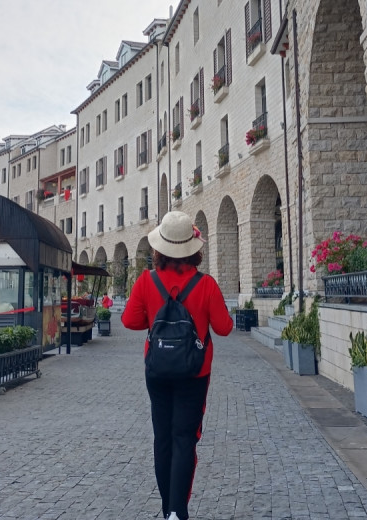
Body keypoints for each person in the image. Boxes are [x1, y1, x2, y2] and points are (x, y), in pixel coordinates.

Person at [122, 211, 233, 520]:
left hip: (157, 369)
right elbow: (224, 328)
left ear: (159, 249)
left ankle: (167, 508)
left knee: (163, 438)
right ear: (193, 249)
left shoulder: (147, 281)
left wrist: (156, 319)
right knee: (184, 439)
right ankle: (176, 511)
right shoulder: (206, 284)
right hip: (194, 372)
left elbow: (129, 321)